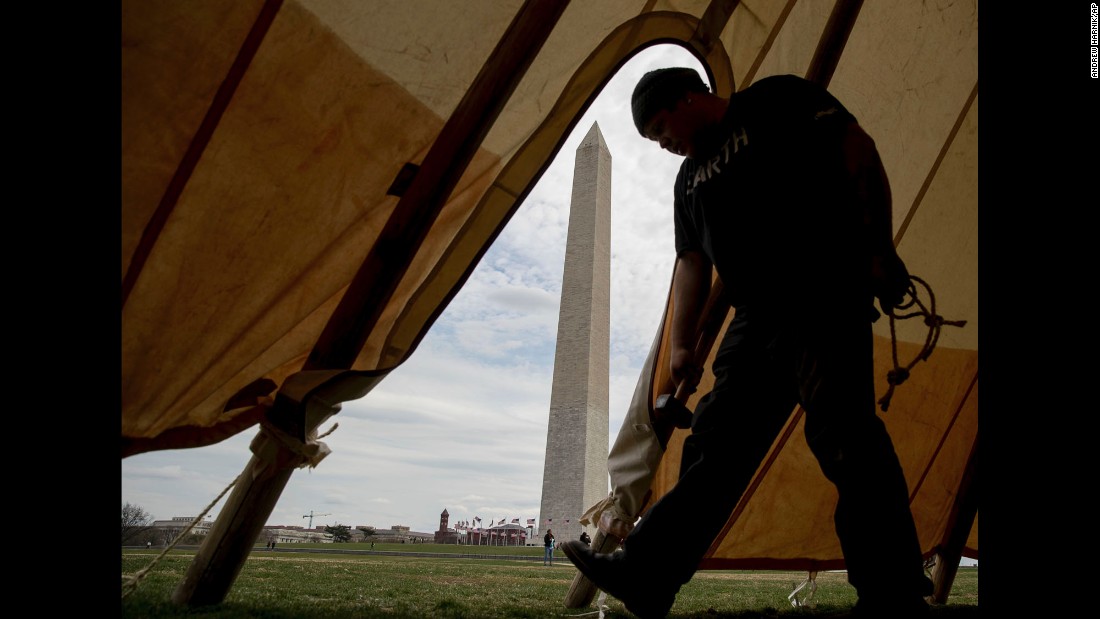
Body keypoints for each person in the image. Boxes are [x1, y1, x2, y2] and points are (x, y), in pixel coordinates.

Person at [561, 68, 932, 619]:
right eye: (653, 139)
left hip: (822, 288)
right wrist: (681, 345)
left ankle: (892, 591)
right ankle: (646, 576)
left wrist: (877, 246)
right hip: (755, 320)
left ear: (690, 96)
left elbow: (857, 150)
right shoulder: (688, 181)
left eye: (662, 127)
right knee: (714, 450)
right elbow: (691, 263)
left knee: (844, 436)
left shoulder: (776, 100)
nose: (664, 144)